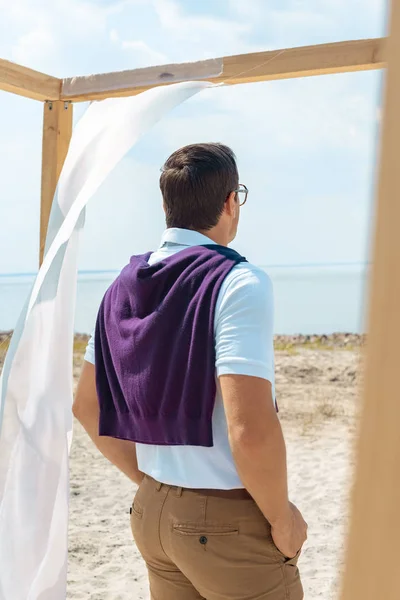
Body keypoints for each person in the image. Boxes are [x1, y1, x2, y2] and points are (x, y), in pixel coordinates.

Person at [73, 142, 307, 600]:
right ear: (229, 203)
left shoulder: (121, 286)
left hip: (152, 514)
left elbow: (85, 407)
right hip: (223, 524)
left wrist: (155, 487)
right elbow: (251, 429)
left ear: (166, 206)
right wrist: (282, 517)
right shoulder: (238, 282)